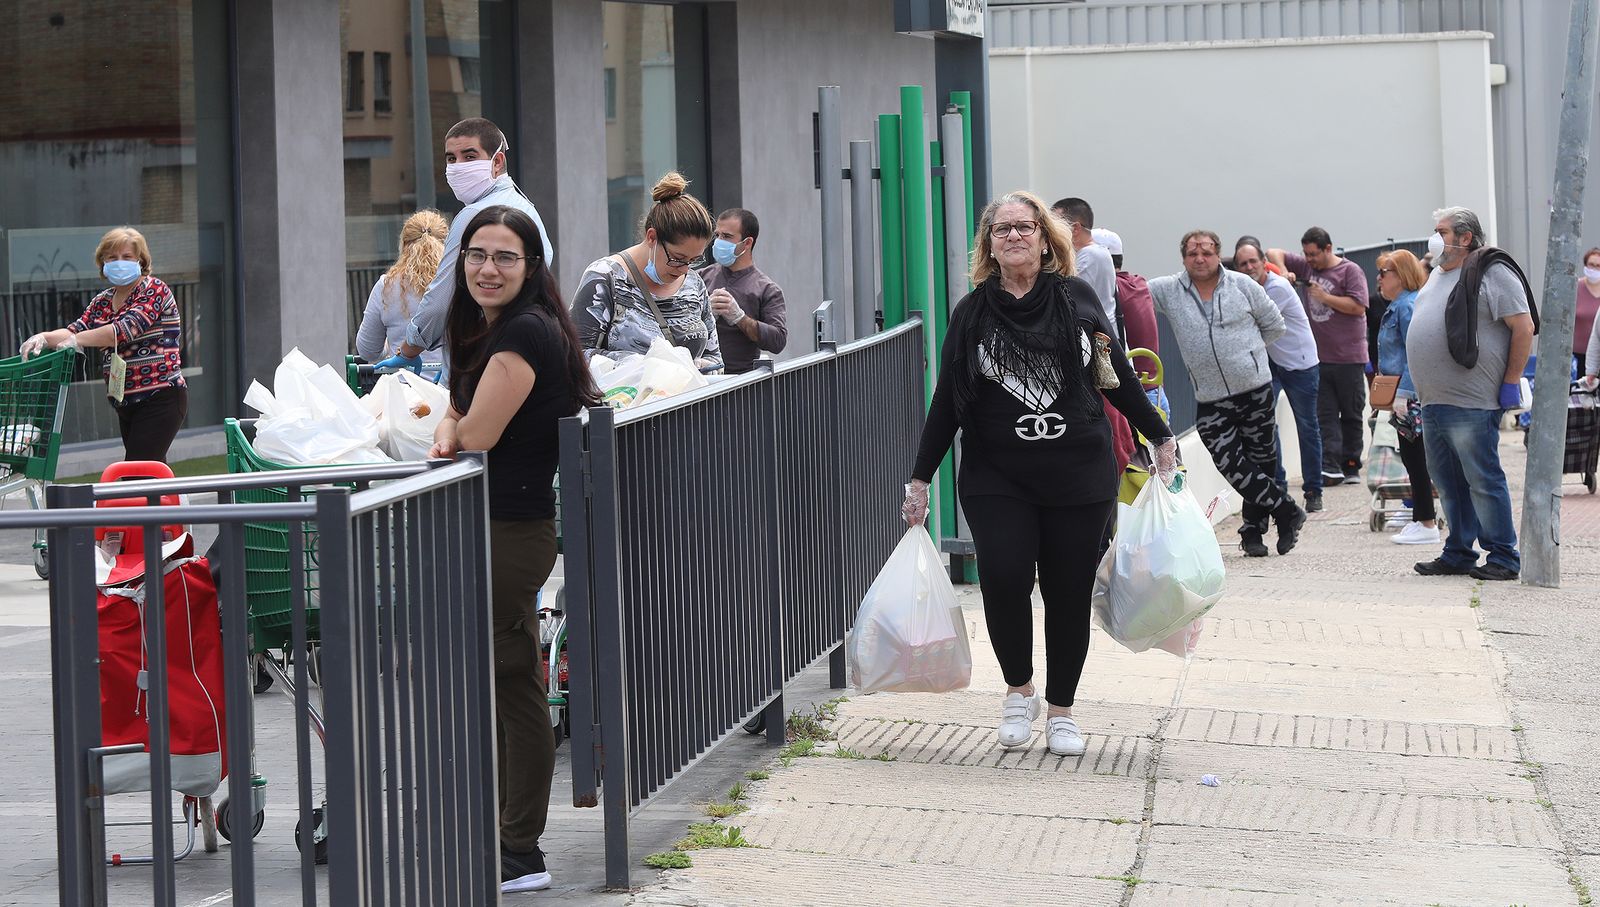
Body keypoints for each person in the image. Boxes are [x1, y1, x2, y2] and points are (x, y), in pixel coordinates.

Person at [903, 191, 1176, 757]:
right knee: (1003, 579)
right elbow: (947, 400)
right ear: (989, 244)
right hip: (997, 474)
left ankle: (1061, 711)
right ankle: (1018, 691)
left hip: (1078, 474)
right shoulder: (972, 312)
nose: (1014, 236)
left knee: (1067, 592)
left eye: (1024, 227)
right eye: (1001, 229)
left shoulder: (1077, 299)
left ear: (1046, 239)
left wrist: (1159, 435)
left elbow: (1116, 377)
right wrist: (920, 478)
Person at [426, 205, 602, 892]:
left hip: (510, 531)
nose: (487, 268)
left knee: (515, 687)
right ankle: (508, 838)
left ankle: (519, 851)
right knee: (507, 682)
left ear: (531, 267)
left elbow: (474, 433)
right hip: (500, 528)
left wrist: (454, 428)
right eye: (477, 254)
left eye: (505, 257)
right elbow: (456, 410)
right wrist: (454, 424)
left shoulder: (524, 331)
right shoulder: (491, 326)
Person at [1150, 230, 1303, 558]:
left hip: (1255, 390)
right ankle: (1286, 509)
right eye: (1192, 253)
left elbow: (1275, 324)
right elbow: (1131, 293)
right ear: (1183, 258)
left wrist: (1248, 355)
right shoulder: (1169, 290)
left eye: (1206, 252)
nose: (1200, 259)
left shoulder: (1242, 285)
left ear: (1218, 255)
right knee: (1230, 462)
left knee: (1261, 461)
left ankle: (1253, 532)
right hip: (1211, 398)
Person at [1405, 206, 1537, 581]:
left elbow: (1523, 326)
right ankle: (1459, 552)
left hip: (1472, 401)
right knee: (1448, 482)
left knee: (1482, 479)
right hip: (1433, 401)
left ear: (1465, 237)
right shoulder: (1437, 274)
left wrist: (1511, 381)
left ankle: (1503, 557)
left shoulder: (1492, 271)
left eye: (1441, 231)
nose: (1434, 238)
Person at [377, 117, 554, 373]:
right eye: (451, 158)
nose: (458, 166)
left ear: (497, 162)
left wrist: (408, 350)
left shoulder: (473, 216)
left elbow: (441, 299)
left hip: (482, 358)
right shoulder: (527, 208)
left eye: (470, 157)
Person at [20, 226, 187, 462]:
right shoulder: (103, 300)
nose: (120, 262)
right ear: (103, 263)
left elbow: (122, 331)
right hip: (126, 402)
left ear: (140, 260)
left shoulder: (154, 289)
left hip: (160, 396)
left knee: (137, 473)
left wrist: (76, 340)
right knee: (150, 473)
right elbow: (76, 329)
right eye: (112, 257)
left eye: (127, 256)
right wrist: (44, 338)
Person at [572, 172, 721, 372]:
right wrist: (647, 365)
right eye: (678, 258)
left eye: (694, 260)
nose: (685, 269)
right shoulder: (605, 277)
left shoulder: (694, 283)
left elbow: (715, 358)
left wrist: (702, 366)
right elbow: (576, 356)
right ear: (652, 237)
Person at [1268, 228, 1371, 485]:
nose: (1309, 259)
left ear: (1328, 249)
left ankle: (1351, 465)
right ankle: (1329, 466)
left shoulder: (1350, 271)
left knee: (1351, 413)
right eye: (1306, 254)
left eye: (1314, 254)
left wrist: (1326, 297)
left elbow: (1358, 306)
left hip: (1349, 357)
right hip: (1318, 358)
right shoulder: (1307, 267)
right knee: (1325, 415)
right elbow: (1273, 252)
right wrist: (1284, 271)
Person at [1234, 238, 1324, 512]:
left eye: (1253, 261)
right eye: (1243, 264)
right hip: (1272, 364)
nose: (1249, 267)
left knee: (1307, 427)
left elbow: (1252, 324)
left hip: (1300, 365)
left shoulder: (1277, 288)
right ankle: (1279, 486)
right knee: (1266, 424)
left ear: (1264, 263)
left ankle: (1313, 490)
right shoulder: (1245, 288)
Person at [1375, 249, 1440, 545]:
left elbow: (1416, 353)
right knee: (1412, 458)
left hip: (1410, 395)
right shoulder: (1399, 305)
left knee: (1416, 459)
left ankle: (1425, 522)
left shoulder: (1406, 307)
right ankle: (1421, 519)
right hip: (1404, 394)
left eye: (1383, 273)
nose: (1378, 278)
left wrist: (1403, 394)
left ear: (1400, 276)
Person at [355, 210, 448, 370]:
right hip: (449, 383)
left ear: (403, 245)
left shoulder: (386, 286)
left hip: (403, 383)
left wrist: (389, 346)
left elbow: (367, 351)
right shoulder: (457, 284)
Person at [698, 208, 788, 374]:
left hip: (740, 380)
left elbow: (778, 340)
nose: (719, 242)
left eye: (727, 236)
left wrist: (740, 318)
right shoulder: (700, 278)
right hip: (700, 377)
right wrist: (704, 314)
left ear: (747, 243)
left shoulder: (767, 289)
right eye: (717, 235)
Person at [1051, 197, 1118, 329]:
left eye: (1056, 226)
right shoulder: (1097, 252)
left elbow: (1068, 300)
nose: (1050, 232)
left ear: (1075, 228)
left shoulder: (1089, 256)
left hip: (1097, 335)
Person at [1575, 247, 1600, 376]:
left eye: (1598, 266)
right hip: (1576, 356)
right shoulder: (1575, 288)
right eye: (1591, 264)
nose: (1594, 269)